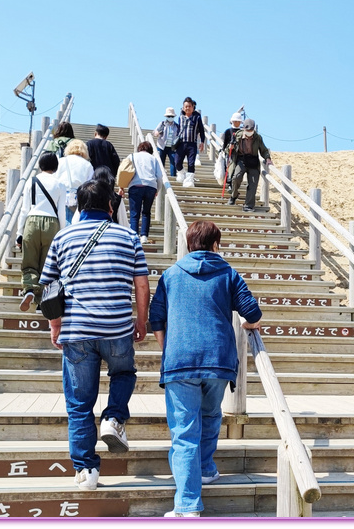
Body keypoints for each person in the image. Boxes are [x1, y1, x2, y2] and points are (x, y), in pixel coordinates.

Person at [42, 179, 150, 491]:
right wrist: (140, 321)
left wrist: (55, 326)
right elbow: (141, 284)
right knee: (124, 373)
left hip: (77, 331)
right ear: (110, 205)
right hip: (117, 327)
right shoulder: (128, 236)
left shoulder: (63, 237)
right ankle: (114, 418)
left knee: (78, 402)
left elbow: (48, 286)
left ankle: (86, 471)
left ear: (78, 205)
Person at [150, 220, 263, 517]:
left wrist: (168, 348)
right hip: (218, 359)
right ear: (216, 245)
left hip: (179, 361)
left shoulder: (171, 275)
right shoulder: (228, 273)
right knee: (212, 413)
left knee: (184, 431)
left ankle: (187, 505)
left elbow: (156, 318)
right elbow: (252, 313)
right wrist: (249, 325)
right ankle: (205, 468)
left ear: (189, 244)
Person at [19, 152, 68, 312]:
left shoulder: (30, 182)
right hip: (52, 223)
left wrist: (20, 233)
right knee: (47, 265)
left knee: (29, 262)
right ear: (56, 166)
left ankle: (30, 290)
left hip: (32, 221)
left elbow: (24, 209)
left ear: (40, 165)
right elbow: (62, 212)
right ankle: (43, 300)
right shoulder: (60, 184)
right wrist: (61, 233)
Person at [228, 118, 273, 212]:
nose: (249, 132)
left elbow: (263, 150)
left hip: (253, 161)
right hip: (241, 160)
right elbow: (229, 150)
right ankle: (234, 195)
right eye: (247, 130)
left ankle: (249, 205)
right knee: (236, 177)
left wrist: (267, 158)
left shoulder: (258, 137)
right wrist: (230, 148)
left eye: (251, 130)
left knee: (253, 183)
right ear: (244, 129)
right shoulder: (238, 135)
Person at [126, 142, 163, 244]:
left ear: (139, 148)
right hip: (151, 186)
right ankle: (144, 237)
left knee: (134, 213)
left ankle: (134, 236)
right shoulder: (154, 159)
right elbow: (159, 176)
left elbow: (124, 170)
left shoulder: (132, 156)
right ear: (150, 150)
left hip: (135, 185)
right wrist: (157, 189)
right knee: (146, 212)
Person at [56, 140, 95, 225]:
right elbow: (89, 183)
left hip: (61, 193)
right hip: (79, 196)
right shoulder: (87, 165)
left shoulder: (60, 161)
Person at [175, 97, 205, 188]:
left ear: (193, 107)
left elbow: (202, 130)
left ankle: (189, 181)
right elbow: (179, 129)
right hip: (181, 143)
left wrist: (202, 142)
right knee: (177, 162)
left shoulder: (197, 118)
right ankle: (182, 174)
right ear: (183, 107)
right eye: (186, 106)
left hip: (192, 144)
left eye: (189, 106)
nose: (187, 108)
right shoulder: (180, 117)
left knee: (191, 163)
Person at [153, 107, 181, 178]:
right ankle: (160, 177)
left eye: (172, 116)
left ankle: (173, 177)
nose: (170, 117)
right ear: (166, 117)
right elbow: (155, 131)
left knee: (173, 162)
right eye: (169, 116)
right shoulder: (162, 124)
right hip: (161, 146)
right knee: (160, 163)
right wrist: (157, 133)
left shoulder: (177, 126)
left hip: (172, 147)